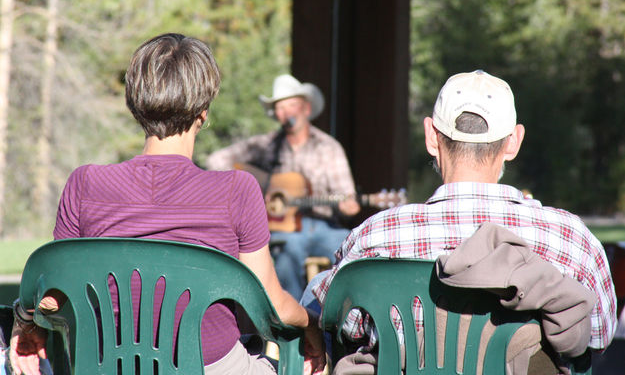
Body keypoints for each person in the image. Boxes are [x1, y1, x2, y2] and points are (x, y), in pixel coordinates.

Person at [9, 33, 325, 375]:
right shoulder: (236, 190)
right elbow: (273, 307)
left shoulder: (84, 183)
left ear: (135, 105)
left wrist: (25, 324)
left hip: (107, 367)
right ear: (203, 112)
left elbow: (51, 297)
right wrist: (311, 323)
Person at [310, 70, 617, 372]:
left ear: (432, 136)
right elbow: (599, 336)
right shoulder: (572, 237)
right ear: (513, 142)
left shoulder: (374, 236)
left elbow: (334, 322)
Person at [207, 74, 360, 299]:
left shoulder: (328, 147)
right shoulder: (266, 145)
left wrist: (348, 206)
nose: (286, 113)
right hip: (282, 230)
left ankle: (341, 322)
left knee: (353, 249)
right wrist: (256, 185)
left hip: (323, 226)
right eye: (280, 108)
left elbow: (347, 198)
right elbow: (216, 160)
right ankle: (291, 325)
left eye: (292, 105)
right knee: (287, 252)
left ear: (306, 109)